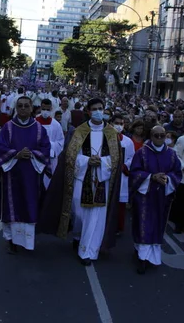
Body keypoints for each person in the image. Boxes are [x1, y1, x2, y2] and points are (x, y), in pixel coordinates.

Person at [40, 98, 123, 265]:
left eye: (101, 108)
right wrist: (86, 161)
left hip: (101, 179)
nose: (98, 111)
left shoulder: (112, 133)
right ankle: (78, 236)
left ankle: (88, 250)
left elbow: (116, 159)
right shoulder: (79, 131)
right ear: (88, 111)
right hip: (81, 177)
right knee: (79, 212)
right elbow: (70, 156)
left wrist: (102, 162)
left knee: (96, 216)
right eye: (95, 109)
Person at [0, 96, 51, 253]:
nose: (23, 109)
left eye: (26, 106)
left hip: (31, 176)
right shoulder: (8, 127)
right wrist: (16, 154)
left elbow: (46, 149)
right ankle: (10, 240)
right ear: (16, 108)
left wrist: (31, 154)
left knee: (29, 205)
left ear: (32, 108)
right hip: (11, 175)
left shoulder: (39, 129)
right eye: (20, 106)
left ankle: (27, 241)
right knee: (11, 207)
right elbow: (1, 148)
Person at [129, 125, 182, 274]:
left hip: (162, 196)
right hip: (145, 195)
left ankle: (153, 257)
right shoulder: (142, 153)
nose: (159, 138)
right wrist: (151, 177)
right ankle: (142, 257)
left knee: (158, 224)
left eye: (162, 135)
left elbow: (177, 173)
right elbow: (134, 172)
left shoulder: (172, 154)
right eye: (156, 135)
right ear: (151, 136)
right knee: (143, 224)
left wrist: (167, 178)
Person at [111, 114, 134, 236]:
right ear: (111, 123)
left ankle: (118, 227)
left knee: (120, 202)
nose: (119, 126)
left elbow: (131, 157)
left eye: (121, 123)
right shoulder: (106, 138)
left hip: (122, 175)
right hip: (108, 173)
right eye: (117, 123)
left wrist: (124, 166)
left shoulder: (128, 141)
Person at [36, 99, 65, 189]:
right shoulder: (34, 122)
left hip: (51, 158)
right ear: (40, 108)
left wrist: (49, 146)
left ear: (51, 109)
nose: (46, 112)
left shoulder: (56, 125)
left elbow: (60, 142)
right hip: (36, 158)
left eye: (48, 110)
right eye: (44, 109)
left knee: (48, 185)